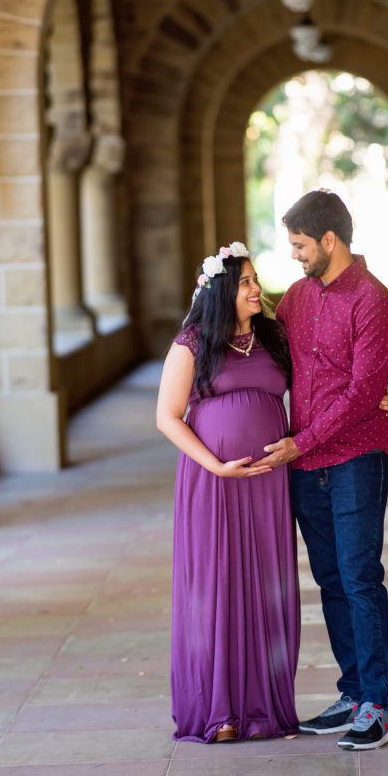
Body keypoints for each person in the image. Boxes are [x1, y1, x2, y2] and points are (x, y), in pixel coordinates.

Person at [252, 190, 388, 751]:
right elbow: (267, 357)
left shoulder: (373, 301)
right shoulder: (294, 298)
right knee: (331, 579)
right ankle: (352, 692)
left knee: (360, 575)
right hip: (306, 463)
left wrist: (301, 442)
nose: (294, 255)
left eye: (299, 245)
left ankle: (378, 705)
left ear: (329, 240)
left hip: (355, 457)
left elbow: (364, 393)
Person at [155, 242, 300, 743]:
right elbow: (166, 417)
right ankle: (218, 712)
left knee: (264, 586)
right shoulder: (193, 343)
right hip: (212, 481)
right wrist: (216, 466)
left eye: (256, 279)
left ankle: (262, 708)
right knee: (216, 585)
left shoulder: (274, 337)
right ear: (222, 290)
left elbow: (317, 382)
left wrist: (376, 394)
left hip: (267, 484)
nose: (256, 288)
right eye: (244, 282)